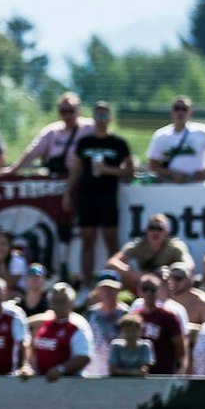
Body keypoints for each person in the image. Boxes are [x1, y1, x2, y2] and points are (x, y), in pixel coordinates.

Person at [66, 100, 133, 287]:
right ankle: (87, 286)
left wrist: (108, 170)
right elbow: (77, 170)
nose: (100, 120)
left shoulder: (119, 143)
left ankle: (114, 284)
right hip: (86, 197)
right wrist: (68, 192)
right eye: (97, 115)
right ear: (92, 118)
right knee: (87, 241)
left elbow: (130, 172)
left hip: (108, 197)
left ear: (110, 118)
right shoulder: (84, 142)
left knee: (111, 240)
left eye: (104, 115)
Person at [105, 214, 194, 291]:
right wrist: (137, 275)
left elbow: (189, 265)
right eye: (151, 228)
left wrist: (171, 272)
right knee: (121, 274)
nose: (155, 232)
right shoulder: (139, 245)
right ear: (146, 231)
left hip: (168, 285)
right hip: (144, 283)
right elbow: (111, 263)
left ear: (166, 232)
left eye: (159, 228)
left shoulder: (175, 246)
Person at [11, 92, 92, 176]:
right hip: (57, 179)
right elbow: (32, 152)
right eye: (63, 111)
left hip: (83, 180)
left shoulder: (90, 127)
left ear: (78, 110)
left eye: (70, 111)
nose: (67, 115)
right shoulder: (52, 131)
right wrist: (13, 170)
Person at [23, 284, 92, 381]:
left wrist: (61, 369)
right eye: (55, 301)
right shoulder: (44, 323)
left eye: (63, 301)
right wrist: (28, 366)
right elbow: (32, 346)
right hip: (41, 382)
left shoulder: (77, 326)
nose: (59, 305)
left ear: (71, 303)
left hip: (68, 384)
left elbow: (84, 357)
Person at [145, 95, 205, 182]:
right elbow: (153, 165)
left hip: (196, 186)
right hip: (169, 187)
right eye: (176, 108)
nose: (180, 112)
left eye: (184, 109)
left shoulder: (202, 131)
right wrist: (172, 173)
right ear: (171, 111)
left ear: (190, 112)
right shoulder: (160, 135)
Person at [130, 278, 188, 376]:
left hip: (163, 373)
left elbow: (179, 347)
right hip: (138, 374)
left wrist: (181, 368)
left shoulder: (168, 316)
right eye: (145, 288)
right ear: (139, 291)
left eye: (152, 289)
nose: (149, 292)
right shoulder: (134, 317)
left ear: (158, 291)